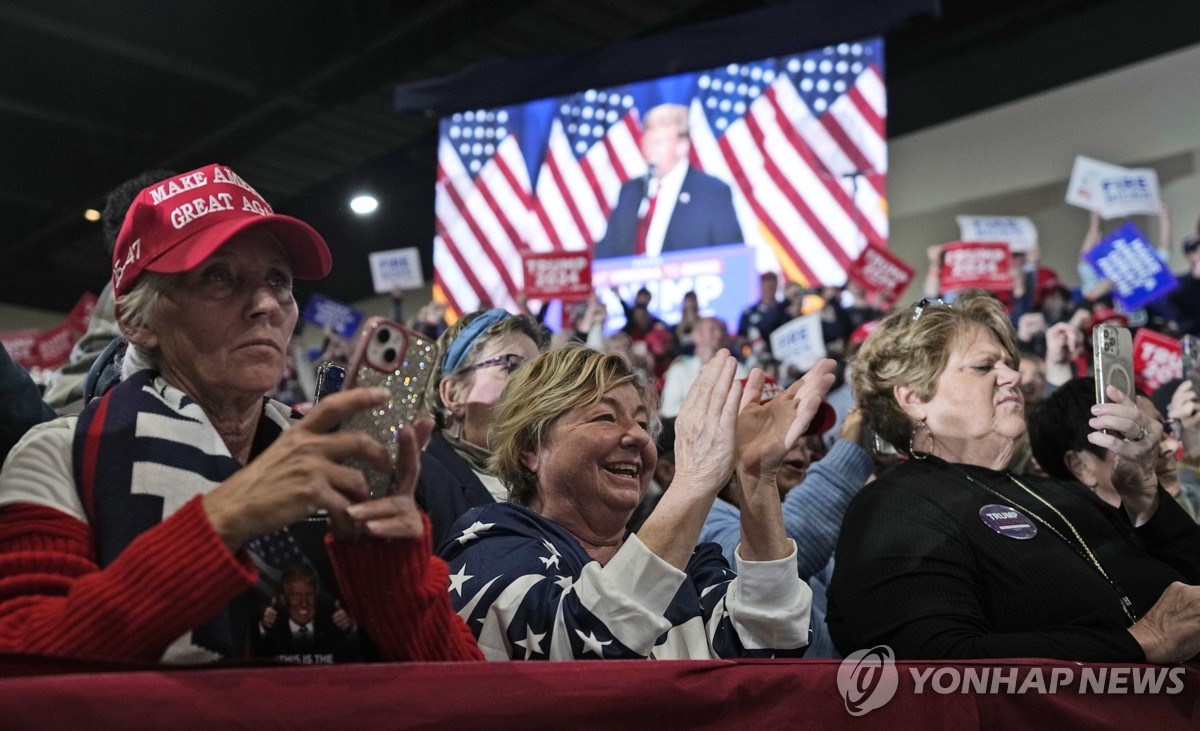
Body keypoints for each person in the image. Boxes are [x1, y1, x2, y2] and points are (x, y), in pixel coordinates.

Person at [0, 164, 481, 664]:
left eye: (279, 279)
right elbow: (21, 660)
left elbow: (465, 685)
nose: (267, 303)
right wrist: (224, 518)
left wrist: (387, 572)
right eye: (219, 276)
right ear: (135, 319)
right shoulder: (58, 455)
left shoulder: (330, 463)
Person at [828, 290, 1200, 663]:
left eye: (1008, 363)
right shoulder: (892, 507)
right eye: (984, 367)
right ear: (913, 398)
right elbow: (932, 664)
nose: (1013, 376)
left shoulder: (1063, 494)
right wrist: (1143, 642)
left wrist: (1145, 496)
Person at [441, 344, 833, 660]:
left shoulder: (691, 566)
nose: (639, 438)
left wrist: (756, 480)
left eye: (644, 423)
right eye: (606, 418)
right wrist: (694, 480)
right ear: (531, 448)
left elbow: (774, 645)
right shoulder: (489, 545)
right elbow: (582, 654)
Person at [700, 397, 869, 659]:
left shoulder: (805, 518)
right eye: (780, 432)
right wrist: (850, 447)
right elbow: (768, 570)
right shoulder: (704, 518)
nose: (802, 451)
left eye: (804, 438)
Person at [417, 308, 549, 548]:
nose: (537, 389)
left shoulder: (554, 478)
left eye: (540, 375)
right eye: (514, 368)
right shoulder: (419, 482)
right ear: (453, 394)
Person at [593, 104, 743, 259]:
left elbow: (732, 260)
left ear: (682, 146)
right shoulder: (629, 191)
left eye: (658, 143)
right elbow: (605, 255)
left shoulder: (712, 192)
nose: (650, 150)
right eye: (647, 142)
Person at [253, 563, 360, 664]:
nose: (304, 603)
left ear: (316, 597)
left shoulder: (334, 625)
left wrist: (350, 629)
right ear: (283, 599)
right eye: (296, 596)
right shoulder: (272, 629)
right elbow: (256, 659)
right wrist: (264, 628)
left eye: (309, 595)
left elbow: (358, 657)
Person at [659, 316, 744, 418]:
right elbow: (668, 409)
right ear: (697, 335)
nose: (719, 334)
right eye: (712, 330)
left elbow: (743, 405)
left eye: (722, 330)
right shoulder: (679, 370)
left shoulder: (738, 369)